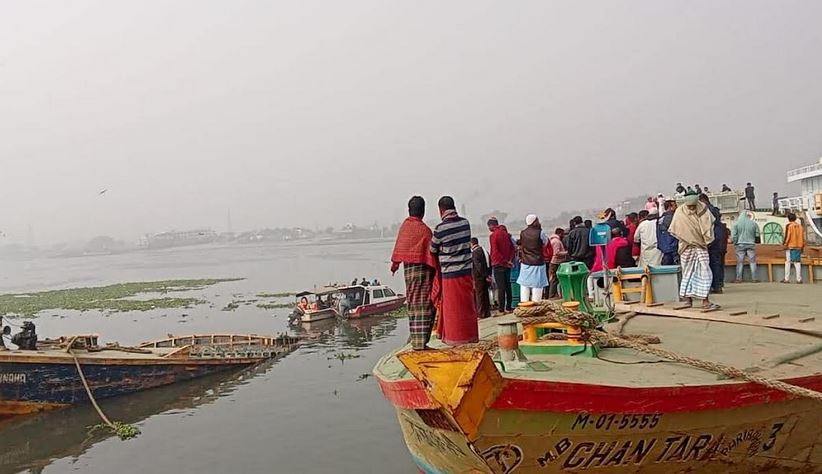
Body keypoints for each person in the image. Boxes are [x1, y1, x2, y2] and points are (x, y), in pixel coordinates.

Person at [390, 196, 440, 350]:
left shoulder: (404, 228)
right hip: (424, 274)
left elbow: (399, 249)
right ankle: (421, 344)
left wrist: (395, 264)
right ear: (423, 211)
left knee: (413, 305)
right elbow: (432, 254)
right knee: (425, 306)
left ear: (409, 210)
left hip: (409, 273)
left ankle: (417, 342)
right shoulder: (425, 231)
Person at [430, 196, 478, 345]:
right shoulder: (466, 223)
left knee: (453, 310)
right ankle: (470, 336)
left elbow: (432, 249)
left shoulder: (440, 228)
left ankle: (455, 338)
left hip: (449, 274)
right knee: (467, 306)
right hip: (466, 272)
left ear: (441, 210)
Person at [668, 192, 719, 310]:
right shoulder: (680, 212)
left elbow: (708, 225)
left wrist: (704, 238)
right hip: (686, 246)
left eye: (693, 206)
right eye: (689, 206)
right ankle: (687, 300)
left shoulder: (704, 209)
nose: (691, 208)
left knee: (704, 271)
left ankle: (705, 301)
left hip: (700, 245)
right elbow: (676, 229)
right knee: (687, 272)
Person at [517, 214, 549, 303]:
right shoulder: (540, 233)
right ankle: (536, 304)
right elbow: (545, 243)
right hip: (538, 262)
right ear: (534, 222)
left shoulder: (522, 233)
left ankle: (524, 304)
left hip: (525, 262)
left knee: (524, 284)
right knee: (537, 285)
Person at [487, 217, 516, 314]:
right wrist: (510, 260)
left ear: (492, 225)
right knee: (508, 286)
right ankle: (509, 307)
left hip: (498, 264)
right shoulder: (506, 234)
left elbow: (495, 251)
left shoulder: (493, 236)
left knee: (501, 287)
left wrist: (504, 261)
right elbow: (513, 248)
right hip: (507, 264)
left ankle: (501, 309)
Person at [699, 194, 725, 293]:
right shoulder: (715, 211)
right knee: (716, 264)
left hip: (707, 241)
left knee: (706, 265)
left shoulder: (704, 211)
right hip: (717, 241)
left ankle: (708, 286)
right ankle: (717, 286)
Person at [731, 210, 760, 283]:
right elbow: (757, 235)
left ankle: (738, 278)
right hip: (751, 244)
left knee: (740, 262)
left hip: (740, 244)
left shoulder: (736, 224)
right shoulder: (753, 224)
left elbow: (734, 236)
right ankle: (754, 278)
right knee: (752, 261)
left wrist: (735, 243)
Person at [470, 237, 492, 318]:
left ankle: (481, 314)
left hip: (479, 277)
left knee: (479, 296)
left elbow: (478, 265)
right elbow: (489, 262)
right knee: (485, 295)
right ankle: (487, 312)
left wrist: (484, 275)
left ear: (471, 243)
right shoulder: (484, 250)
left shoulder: (475, 252)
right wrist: (488, 275)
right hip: (486, 276)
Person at [783, 213, 805, 284]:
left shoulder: (789, 226)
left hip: (790, 246)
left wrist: (785, 244)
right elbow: (803, 237)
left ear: (788, 219)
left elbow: (787, 236)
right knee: (797, 262)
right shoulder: (800, 226)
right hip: (799, 246)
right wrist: (802, 246)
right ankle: (799, 279)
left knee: (788, 262)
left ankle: (786, 279)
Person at [657, 199, 679, 265]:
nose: (677, 207)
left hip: (664, 248)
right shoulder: (671, 218)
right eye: (675, 205)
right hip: (673, 248)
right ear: (670, 207)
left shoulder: (660, 218)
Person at [548, 228, 568, 298]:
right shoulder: (556, 241)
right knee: (555, 279)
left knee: (554, 279)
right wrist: (566, 253)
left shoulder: (552, 240)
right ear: (560, 233)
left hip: (554, 261)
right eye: (563, 234)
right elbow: (556, 252)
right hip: (556, 262)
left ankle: (553, 294)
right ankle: (552, 295)